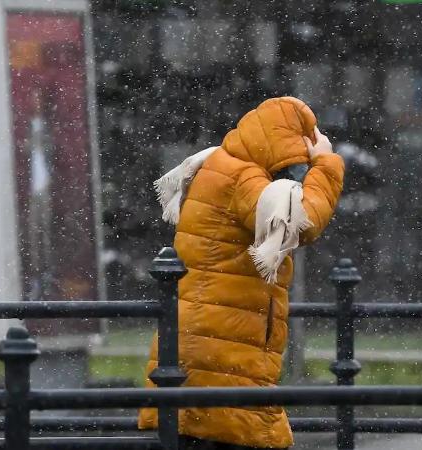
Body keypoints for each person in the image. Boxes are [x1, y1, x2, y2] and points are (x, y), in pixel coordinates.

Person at [138, 97, 345, 449]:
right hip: (226, 338)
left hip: (207, 332)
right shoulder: (244, 178)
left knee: (204, 423)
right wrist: (326, 163)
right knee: (237, 426)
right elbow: (302, 221)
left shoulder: (220, 164)